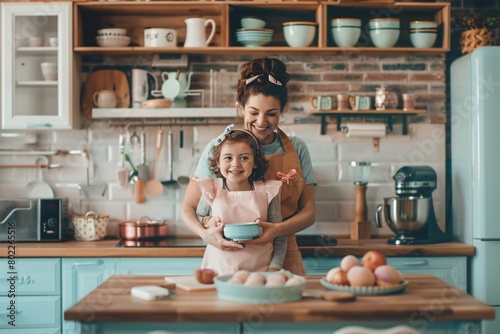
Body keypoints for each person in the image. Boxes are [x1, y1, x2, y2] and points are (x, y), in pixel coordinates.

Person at [181, 57, 317, 275]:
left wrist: (276, 231)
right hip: (225, 254)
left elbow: (309, 213)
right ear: (241, 107)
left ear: (282, 110)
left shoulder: (297, 148)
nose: (261, 121)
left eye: (272, 114)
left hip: (284, 255)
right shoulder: (219, 148)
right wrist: (205, 233)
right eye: (253, 112)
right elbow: (188, 208)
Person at [191, 126, 286, 275]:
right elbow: (197, 217)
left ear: (255, 162)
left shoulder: (268, 192)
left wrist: (274, 268)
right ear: (218, 162)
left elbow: (280, 235)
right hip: (218, 270)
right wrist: (207, 221)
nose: (235, 164)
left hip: (260, 272)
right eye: (228, 158)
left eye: (244, 158)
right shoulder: (212, 190)